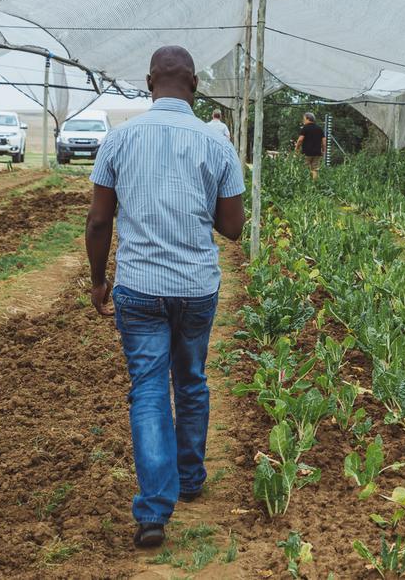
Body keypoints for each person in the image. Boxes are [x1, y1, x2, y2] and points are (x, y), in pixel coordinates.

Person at [84, 46, 246, 548]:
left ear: (149, 82)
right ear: (194, 85)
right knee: (191, 380)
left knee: (149, 390)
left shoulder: (119, 139)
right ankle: (191, 479)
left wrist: (97, 280)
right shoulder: (216, 143)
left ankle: (154, 510)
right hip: (196, 287)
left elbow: (98, 220)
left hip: (139, 287)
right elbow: (234, 228)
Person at [294, 112, 326, 179]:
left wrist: (296, 149)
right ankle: (314, 184)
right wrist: (323, 150)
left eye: (304, 119)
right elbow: (324, 141)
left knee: (306, 169)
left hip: (307, 153)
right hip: (317, 153)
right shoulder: (319, 128)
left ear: (308, 119)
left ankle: (307, 184)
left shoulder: (305, 128)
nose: (303, 120)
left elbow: (300, 140)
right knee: (315, 169)